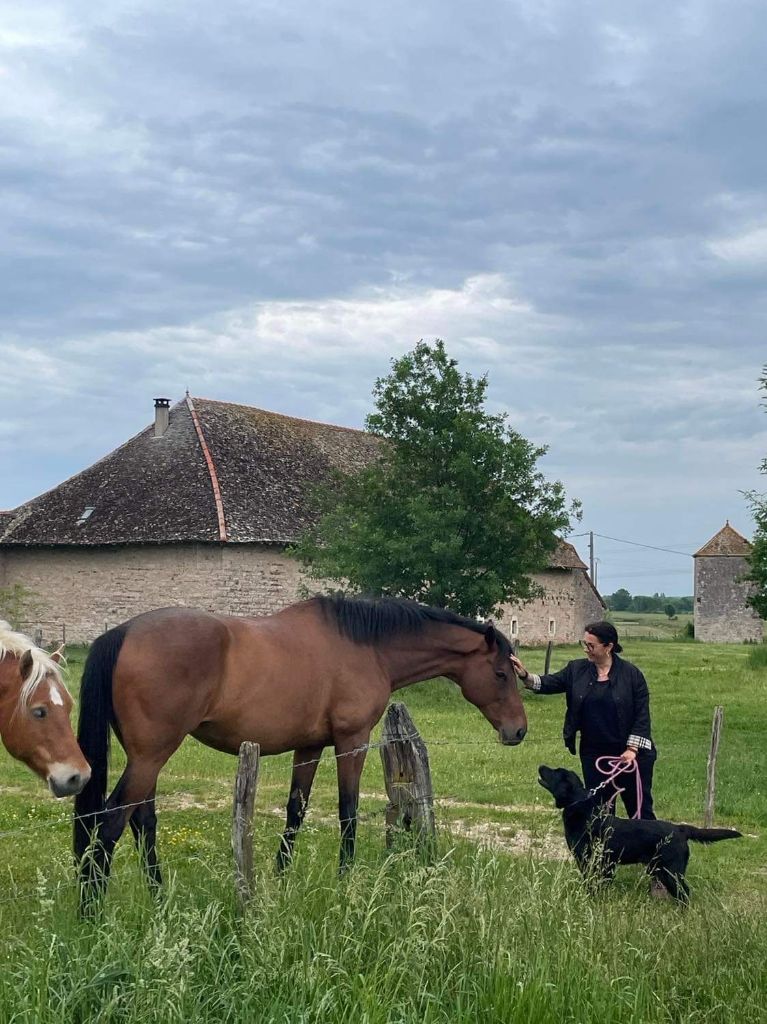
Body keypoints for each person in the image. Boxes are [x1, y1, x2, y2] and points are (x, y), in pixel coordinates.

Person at [510, 620, 657, 820]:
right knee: (599, 813)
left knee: (639, 811)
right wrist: (525, 675)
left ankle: (653, 851)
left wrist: (632, 750)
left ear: (609, 647)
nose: (586, 649)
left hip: (630, 755)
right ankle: (604, 851)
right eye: (584, 643)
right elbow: (549, 683)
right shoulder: (576, 670)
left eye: (591, 645)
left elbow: (642, 715)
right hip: (594, 754)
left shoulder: (632, 675)